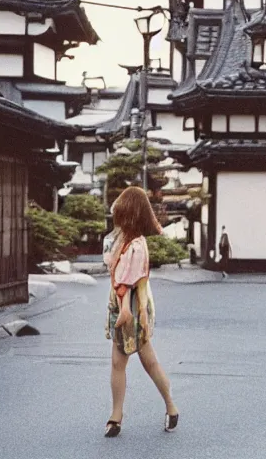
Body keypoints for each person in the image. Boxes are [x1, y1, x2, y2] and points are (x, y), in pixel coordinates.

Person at [103, 187, 179, 438]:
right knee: (121, 361)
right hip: (122, 302)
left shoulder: (137, 245)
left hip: (134, 306)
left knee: (147, 362)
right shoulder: (121, 239)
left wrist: (137, 312)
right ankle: (116, 415)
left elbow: (139, 281)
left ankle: (169, 405)